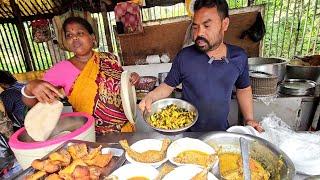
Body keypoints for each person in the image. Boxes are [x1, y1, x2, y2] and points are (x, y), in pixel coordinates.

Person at [139, 0, 263, 132]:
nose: (199, 33)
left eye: (207, 26)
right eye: (195, 27)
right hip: (188, 135)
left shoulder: (239, 57)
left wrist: (249, 119)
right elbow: (167, 86)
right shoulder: (184, 57)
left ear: (224, 24)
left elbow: (243, 89)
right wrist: (151, 96)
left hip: (219, 133)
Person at [22, 16, 140, 135]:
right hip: (91, 134)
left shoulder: (110, 58)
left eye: (80, 33)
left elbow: (122, 84)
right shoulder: (60, 69)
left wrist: (132, 78)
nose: (74, 37)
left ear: (92, 37)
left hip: (126, 128)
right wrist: (30, 88)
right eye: (69, 35)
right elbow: (34, 103)